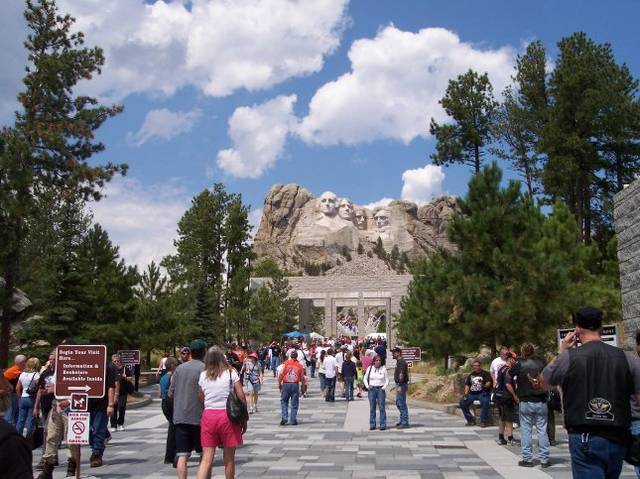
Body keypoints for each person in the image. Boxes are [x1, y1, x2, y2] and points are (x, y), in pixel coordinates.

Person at [543, 307, 640, 478]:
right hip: (617, 436)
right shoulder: (627, 359)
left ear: (577, 329)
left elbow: (544, 382)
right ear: (601, 329)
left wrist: (561, 351)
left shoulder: (569, 358)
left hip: (584, 434)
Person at [197, 347, 247, 479]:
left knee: (206, 459)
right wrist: (244, 418)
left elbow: (200, 396)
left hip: (209, 416)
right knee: (229, 459)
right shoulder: (231, 373)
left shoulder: (203, 375)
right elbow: (241, 396)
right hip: (227, 417)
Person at [170, 339, 207, 479]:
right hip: (199, 417)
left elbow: (170, 393)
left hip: (180, 417)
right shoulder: (205, 369)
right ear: (204, 352)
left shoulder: (179, 369)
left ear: (191, 352)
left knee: (182, 456)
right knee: (204, 455)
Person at [508, 343, 549, 468]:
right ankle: (544, 459)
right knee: (542, 430)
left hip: (525, 399)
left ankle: (527, 459)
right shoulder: (542, 362)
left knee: (526, 430)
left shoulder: (520, 363)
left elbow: (510, 374)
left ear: (522, 351)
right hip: (541, 399)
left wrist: (513, 364)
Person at [87, 354, 118, 467]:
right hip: (84, 403)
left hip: (101, 403)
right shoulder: (83, 367)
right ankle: (98, 445)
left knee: (98, 429)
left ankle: (96, 454)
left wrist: (110, 404)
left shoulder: (108, 368)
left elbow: (111, 386)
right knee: (88, 430)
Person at [459, 359, 492, 427]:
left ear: (480, 366)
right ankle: (470, 420)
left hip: (483, 393)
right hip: (472, 394)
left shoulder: (485, 373)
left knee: (485, 402)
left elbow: (488, 383)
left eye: (477, 365)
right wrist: (466, 394)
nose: (476, 367)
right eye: (474, 366)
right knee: (462, 403)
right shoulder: (471, 375)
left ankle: (483, 421)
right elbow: (467, 385)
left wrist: (483, 385)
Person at [493, 352, 517, 446]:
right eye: (514, 359)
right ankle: (510, 438)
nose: (515, 361)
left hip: (499, 396)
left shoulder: (501, 368)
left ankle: (501, 437)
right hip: (507, 397)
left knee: (502, 417)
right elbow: (508, 384)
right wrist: (514, 395)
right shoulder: (508, 370)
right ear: (510, 359)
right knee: (509, 418)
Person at [14, 357, 40, 437]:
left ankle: (18, 437)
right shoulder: (36, 375)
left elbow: (17, 388)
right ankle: (29, 438)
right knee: (30, 420)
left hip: (23, 397)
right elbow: (40, 388)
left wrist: (19, 398)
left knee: (21, 420)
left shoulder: (22, 374)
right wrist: (37, 405)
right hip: (31, 398)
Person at [160, 357, 178, 466]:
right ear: (172, 366)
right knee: (174, 430)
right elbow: (173, 391)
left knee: (172, 428)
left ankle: (170, 456)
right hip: (171, 403)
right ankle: (172, 455)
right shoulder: (172, 377)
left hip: (164, 403)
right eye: (176, 365)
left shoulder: (163, 377)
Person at [278, 351, 305, 425]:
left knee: (284, 401)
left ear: (290, 356)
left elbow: (281, 374)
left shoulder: (285, 363)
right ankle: (293, 419)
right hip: (295, 385)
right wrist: (303, 388)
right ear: (296, 356)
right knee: (294, 403)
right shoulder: (300, 365)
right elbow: (302, 378)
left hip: (286, 384)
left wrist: (279, 383)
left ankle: (284, 418)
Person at [363, 355, 389, 430]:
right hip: (372, 389)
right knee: (372, 407)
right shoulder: (370, 368)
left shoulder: (383, 369)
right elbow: (365, 378)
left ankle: (382, 424)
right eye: (376, 360)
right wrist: (367, 386)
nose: (378, 362)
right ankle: (372, 424)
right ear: (374, 361)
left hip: (380, 389)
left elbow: (387, 379)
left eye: (379, 360)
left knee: (382, 407)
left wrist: (384, 387)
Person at [110, 354, 132, 432]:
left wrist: (126, 377)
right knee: (113, 408)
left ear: (120, 361)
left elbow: (130, 378)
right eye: (115, 361)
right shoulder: (110, 369)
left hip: (123, 392)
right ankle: (113, 425)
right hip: (112, 392)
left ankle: (120, 424)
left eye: (118, 361)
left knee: (122, 407)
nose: (116, 362)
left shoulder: (125, 369)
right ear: (112, 361)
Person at [3, 354, 26, 426]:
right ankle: (7, 426)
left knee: (16, 412)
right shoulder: (12, 371)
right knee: (11, 412)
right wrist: (8, 387)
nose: (26, 363)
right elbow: (3, 378)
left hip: (17, 394)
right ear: (21, 362)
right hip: (12, 394)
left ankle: (14, 427)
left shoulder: (20, 370)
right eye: (25, 361)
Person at [391, 347, 410, 428]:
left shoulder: (401, 362)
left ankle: (404, 422)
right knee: (399, 403)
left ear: (398, 353)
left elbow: (401, 374)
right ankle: (402, 420)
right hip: (400, 384)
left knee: (401, 403)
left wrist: (399, 385)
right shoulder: (399, 362)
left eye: (394, 352)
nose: (392, 354)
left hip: (401, 385)